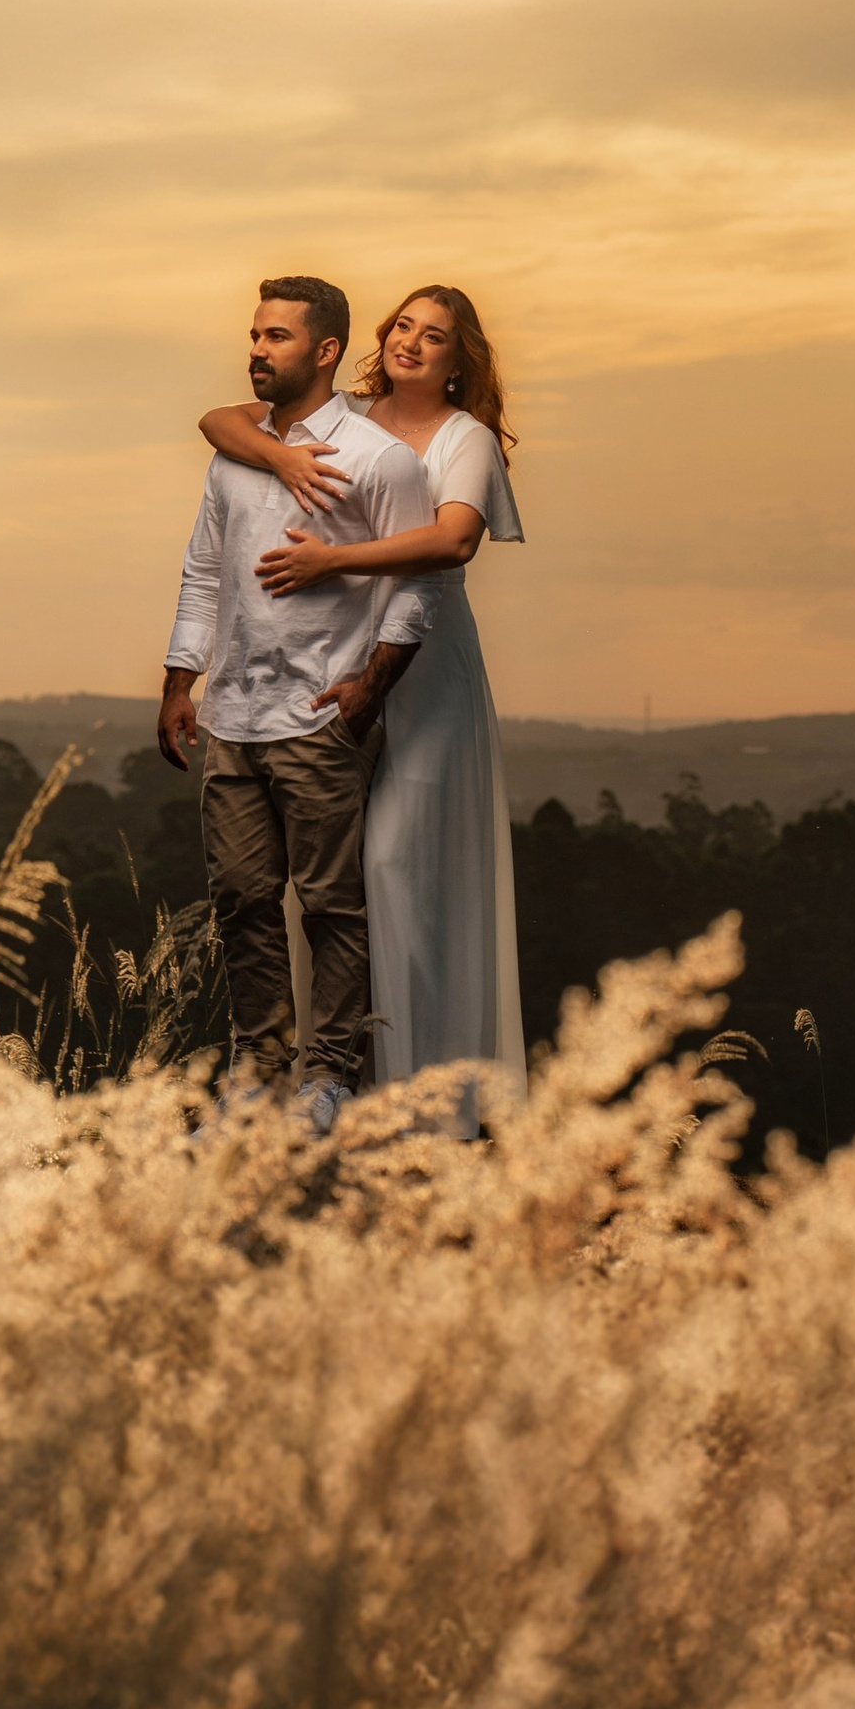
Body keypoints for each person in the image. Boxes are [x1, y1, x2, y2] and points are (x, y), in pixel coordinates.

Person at [199, 282, 525, 1114]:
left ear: (461, 361)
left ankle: (425, 1085)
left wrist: (330, 563)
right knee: (335, 881)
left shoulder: (467, 438)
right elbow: (221, 421)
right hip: (331, 667)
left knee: (393, 869)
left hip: (422, 673)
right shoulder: (349, 420)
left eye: (437, 336)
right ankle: (320, 1079)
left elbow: (451, 543)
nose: (414, 343)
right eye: (404, 327)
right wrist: (278, 456)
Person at [158, 276, 439, 1127]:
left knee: (329, 906)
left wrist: (367, 692)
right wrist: (182, 678)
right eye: (253, 335)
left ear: (324, 351)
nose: (255, 351)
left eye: (276, 337)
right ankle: (256, 1074)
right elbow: (204, 571)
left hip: (320, 719)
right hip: (233, 716)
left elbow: (415, 588)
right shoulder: (233, 458)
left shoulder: (381, 460)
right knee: (242, 904)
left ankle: (329, 1076)